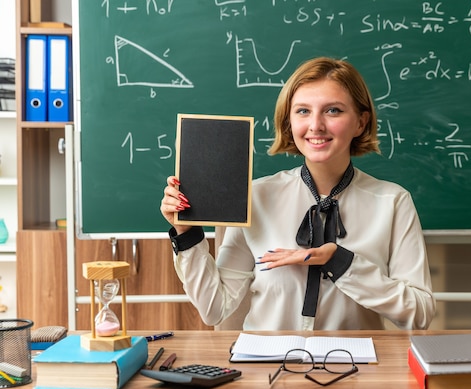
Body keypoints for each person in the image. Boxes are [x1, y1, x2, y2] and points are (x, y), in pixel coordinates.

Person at [160, 57, 436, 330]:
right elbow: (214, 309)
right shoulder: (254, 197)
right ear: (289, 122)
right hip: (267, 366)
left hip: (356, 368)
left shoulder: (393, 202)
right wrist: (187, 233)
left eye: (333, 111)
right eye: (303, 111)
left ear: (361, 123)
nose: (316, 125)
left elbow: (420, 312)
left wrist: (341, 262)